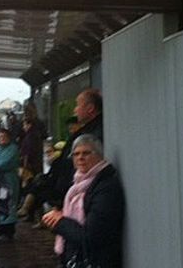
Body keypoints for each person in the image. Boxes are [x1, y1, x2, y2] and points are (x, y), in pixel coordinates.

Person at [42, 135, 124, 267]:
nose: (80, 158)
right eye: (76, 154)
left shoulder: (105, 187)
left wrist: (60, 222)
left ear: (99, 155)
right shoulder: (77, 184)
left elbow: (91, 236)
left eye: (86, 153)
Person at [52, 88, 103, 208]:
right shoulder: (89, 130)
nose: (75, 110)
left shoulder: (93, 133)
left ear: (90, 108)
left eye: (77, 105)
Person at [0, 128, 20, 239]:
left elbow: (4, 163)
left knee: (10, 202)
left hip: (8, 181)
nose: (2, 139)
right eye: (0, 137)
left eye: (4, 136)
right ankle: (1, 227)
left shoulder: (13, 149)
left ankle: (9, 229)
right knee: (1, 202)